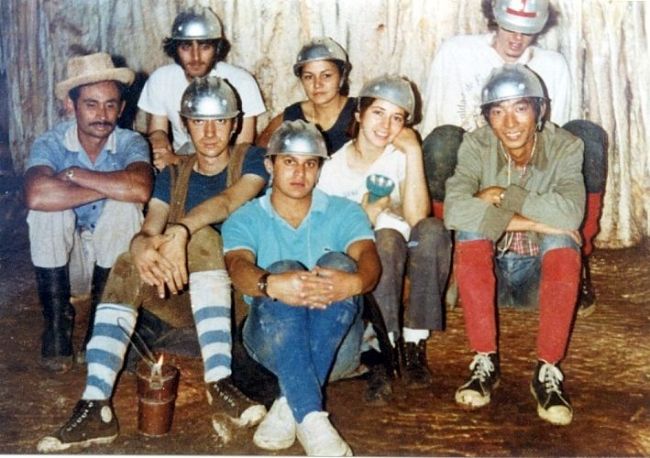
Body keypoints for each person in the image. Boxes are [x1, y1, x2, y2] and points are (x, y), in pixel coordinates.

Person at [36, 76, 270, 453]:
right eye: (198, 122)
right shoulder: (173, 175)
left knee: (205, 235)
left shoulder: (253, 161)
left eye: (220, 121)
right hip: (181, 298)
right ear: (183, 123)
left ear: (236, 123)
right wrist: (142, 245)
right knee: (129, 260)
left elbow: (228, 201)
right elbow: (149, 226)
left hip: (241, 300)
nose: (209, 133)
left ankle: (220, 383)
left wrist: (182, 230)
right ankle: (96, 403)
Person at [421, 0, 606, 316]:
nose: (516, 40)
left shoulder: (553, 64)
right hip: (476, 164)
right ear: (493, 18)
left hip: (529, 164)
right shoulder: (456, 52)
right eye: (510, 28)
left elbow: (560, 137)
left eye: (528, 32)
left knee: (588, 136)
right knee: (441, 143)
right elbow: (435, 122)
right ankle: (454, 256)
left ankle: (578, 253)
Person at [222, 120, 381, 456]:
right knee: (283, 270)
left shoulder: (344, 211)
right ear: (270, 165)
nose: (300, 172)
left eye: (310, 163)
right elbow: (236, 267)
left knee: (339, 264)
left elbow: (368, 259)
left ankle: (288, 402)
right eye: (289, 161)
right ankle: (311, 416)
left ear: (320, 169)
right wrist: (272, 283)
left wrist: (352, 282)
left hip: (338, 351)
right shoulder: (246, 217)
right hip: (270, 348)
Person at [445, 64, 584, 426]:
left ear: (539, 110)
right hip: (486, 279)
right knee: (470, 232)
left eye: (520, 108)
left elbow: (570, 214)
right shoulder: (475, 145)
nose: (509, 123)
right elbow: (455, 211)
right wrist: (533, 219)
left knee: (560, 238)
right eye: (497, 111)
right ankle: (483, 361)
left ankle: (548, 371)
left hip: (541, 281)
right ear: (487, 117)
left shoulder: (567, 147)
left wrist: (503, 195)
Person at [318, 75, 452, 390]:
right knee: (387, 239)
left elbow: (418, 217)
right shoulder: (334, 168)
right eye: (378, 112)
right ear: (358, 114)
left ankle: (415, 342)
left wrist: (414, 152)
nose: (386, 125)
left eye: (397, 118)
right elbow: (327, 234)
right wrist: (367, 216)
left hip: (411, 244)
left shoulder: (398, 156)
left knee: (433, 230)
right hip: (366, 253)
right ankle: (384, 341)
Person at [24, 52, 152, 374]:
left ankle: (100, 318)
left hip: (110, 263)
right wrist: (110, 185)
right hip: (66, 268)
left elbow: (140, 188)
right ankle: (57, 322)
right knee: (47, 211)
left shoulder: (130, 141)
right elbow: (35, 193)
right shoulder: (51, 141)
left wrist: (73, 175)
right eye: (91, 104)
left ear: (122, 109)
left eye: (111, 104)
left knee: (125, 206)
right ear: (71, 106)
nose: (102, 114)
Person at [138, 6, 265, 170]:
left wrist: (177, 161)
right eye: (186, 47)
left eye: (205, 47)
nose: (195, 57)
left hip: (225, 166)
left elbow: (242, 150)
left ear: (217, 48)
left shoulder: (241, 81)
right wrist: (159, 140)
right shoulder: (161, 79)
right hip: (176, 163)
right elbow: (157, 132)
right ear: (174, 49)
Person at [257, 36, 356, 154]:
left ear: (342, 77)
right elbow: (258, 154)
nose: (317, 84)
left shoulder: (360, 112)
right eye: (309, 77)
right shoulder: (292, 116)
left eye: (326, 75)